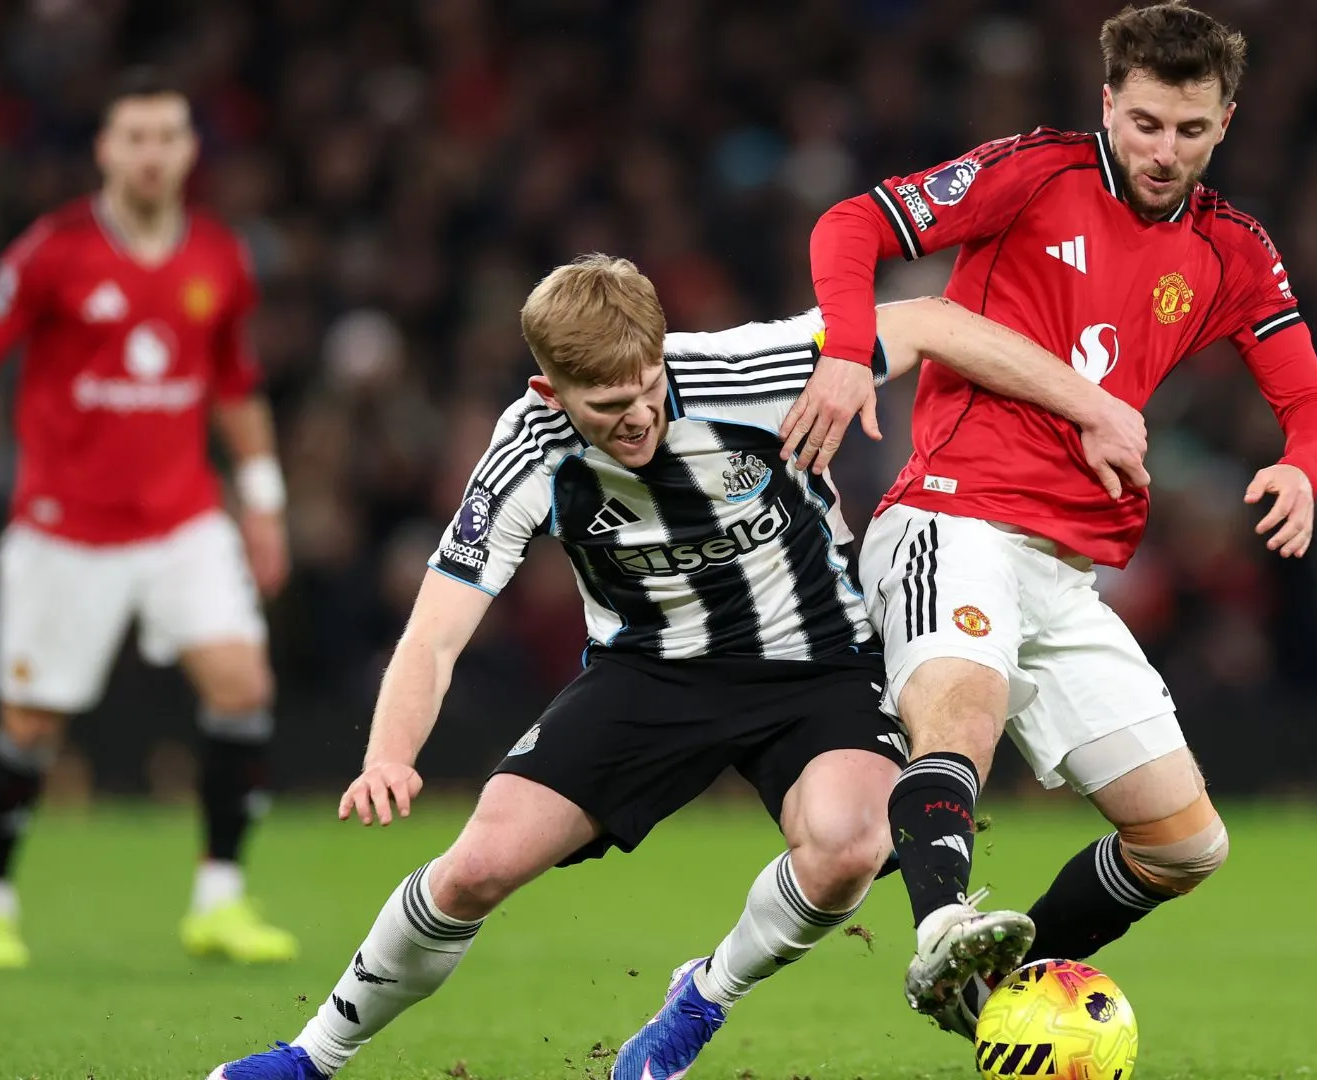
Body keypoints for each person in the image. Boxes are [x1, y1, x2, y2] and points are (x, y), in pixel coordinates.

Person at [206, 255, 1145, 1080]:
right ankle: (309, 1058)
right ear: (550, 393)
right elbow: (437, 631)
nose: (640, 416)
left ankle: (700, 1000)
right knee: (474, 871)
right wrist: (389, 754)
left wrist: (1095, 409)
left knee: (851, 846)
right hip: (648, 674)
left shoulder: (749, 367)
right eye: (608, 406)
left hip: (819, 665)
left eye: (649, 387)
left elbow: (935, 322)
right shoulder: (526, 449)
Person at [785, 0, 1317, 1033]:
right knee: (962, 716)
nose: (1163, 151)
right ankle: (942, 925)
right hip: (953, 518)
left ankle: (993, 986)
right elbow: (852, 222)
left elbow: (1309, 406)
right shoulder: (1033, 172)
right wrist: (841, 348)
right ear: (1107, 103)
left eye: (1188, 129)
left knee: (1185, 846)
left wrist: (1305, 470)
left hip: (1066, 568)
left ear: (1226, 121)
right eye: (1143, 123)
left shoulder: (1231, 249)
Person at [0, 69, 296, 968]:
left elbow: (236, 385)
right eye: (135, 138)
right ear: (105, 150)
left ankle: (219, 903)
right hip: (63, 530)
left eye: (168, 136)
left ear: (190, 150)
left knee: (243, 685)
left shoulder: (219, 259)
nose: (152, 154)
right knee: (31, 725)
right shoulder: (53, 253)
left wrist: (263, 504)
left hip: (183, 519)